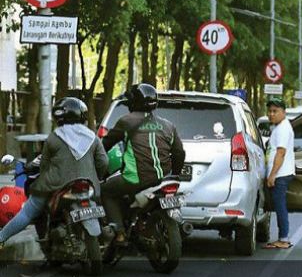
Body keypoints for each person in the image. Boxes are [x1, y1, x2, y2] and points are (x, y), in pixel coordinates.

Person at [0, 97, 108, 248]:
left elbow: (44, 165)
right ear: (82, 115)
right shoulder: (93, 137)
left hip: (56, 185)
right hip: (89, 185)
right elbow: (103, 162)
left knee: (28, 212)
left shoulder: (54, 137)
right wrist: (96, 176)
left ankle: (1, 237)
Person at [101, 83, 185, 244]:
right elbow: (179, 153)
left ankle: (119, 232)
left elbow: (105, 145)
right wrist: (175, 173)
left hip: (135, 179)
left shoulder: (126, 122)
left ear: (133, 102)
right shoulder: (168, 125)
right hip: (163, 179)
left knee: (105, 191)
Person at [264, 97, 295, 249]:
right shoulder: (279, 127)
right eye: (269, 111)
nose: (271, 114)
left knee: (280, 206)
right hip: (280, 173)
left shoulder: (283, 128)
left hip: (280, 174)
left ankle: (283, 238)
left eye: (275, 111)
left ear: (284, 112)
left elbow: (281, 153)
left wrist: (272, 175)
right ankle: (283, 237)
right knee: (278, 205)